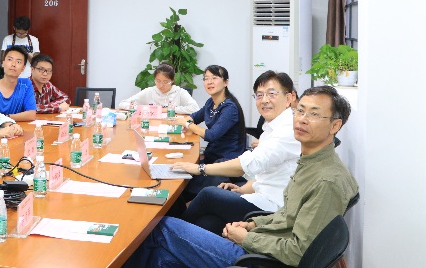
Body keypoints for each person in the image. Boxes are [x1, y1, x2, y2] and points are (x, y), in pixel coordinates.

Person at [124, 86, 358, 268]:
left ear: (335, 125)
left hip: (260, 260)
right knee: (160, 258)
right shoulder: (309, 163)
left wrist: (246, 238)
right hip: (263, 243)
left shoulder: (326, 180)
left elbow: (298, 253)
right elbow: (287, 216)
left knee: (161, 226)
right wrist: (253, 224)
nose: (302, 119)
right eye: (300, 111)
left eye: (314, 114)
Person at [175, 70, 300, 234]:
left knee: (208, 194)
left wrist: (200, 168)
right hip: (260, 193)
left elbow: (247, 164)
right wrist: (241, 189)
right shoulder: (272, 128)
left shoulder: (288, 130)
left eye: (272, 94)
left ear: (289, 98)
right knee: (208, 223)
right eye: (259, 95)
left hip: (271, 207)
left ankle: (169, 232)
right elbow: (268, 176)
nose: (265, 100)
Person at [180, 65, 247, 202]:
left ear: (226, 82)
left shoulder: (229, 107)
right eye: (206, 79)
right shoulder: (211, 102)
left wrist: (187, 124)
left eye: (214, 78)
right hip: (212, 156)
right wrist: (188, 120)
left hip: (225, 161)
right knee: (180, 174)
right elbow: (194, 117)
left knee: (184, 186)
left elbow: (211, 135)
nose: (209, 82)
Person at [0, 46, 37, 121]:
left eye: (18, 62)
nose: (13, 64)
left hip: (19, 128)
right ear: (3, 63)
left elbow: (31, 115)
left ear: (23, 68)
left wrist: (5, 117)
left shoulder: (26, 84)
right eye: (10, 60)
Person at [119, 63, 199, 114]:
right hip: (152, 126)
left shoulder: (179, 92)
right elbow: (122, 104)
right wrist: (144, 108)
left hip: (172, 126)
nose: (161, 85)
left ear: (172, 80)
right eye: (158, 81)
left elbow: (195, 108)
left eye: (165, 82)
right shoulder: (149, 91)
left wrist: (169, 109)